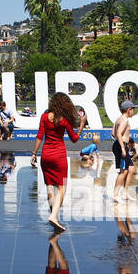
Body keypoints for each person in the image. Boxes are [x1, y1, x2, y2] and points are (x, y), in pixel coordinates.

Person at [31, 92, 86, 231]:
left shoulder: (44, 117)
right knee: (62, 187)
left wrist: (33, 153)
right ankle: (54, 216)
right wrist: (81, 126)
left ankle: (53, 214)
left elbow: (39, 135)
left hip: (46, 156)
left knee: (50, 186)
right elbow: (74, 139)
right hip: (59, 156)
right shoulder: (64, 120)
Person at [111, 100, 137, 203]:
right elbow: (118, 133)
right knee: (123, 171)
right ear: (129, 110)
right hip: (122, 146)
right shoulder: (125, 120)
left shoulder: (118, 119)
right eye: (133, 110)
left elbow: (113, 133)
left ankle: (125, 192)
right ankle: (116, 194)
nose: (133, 112)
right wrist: (122, 147)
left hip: (119, 144)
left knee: (130, 169)